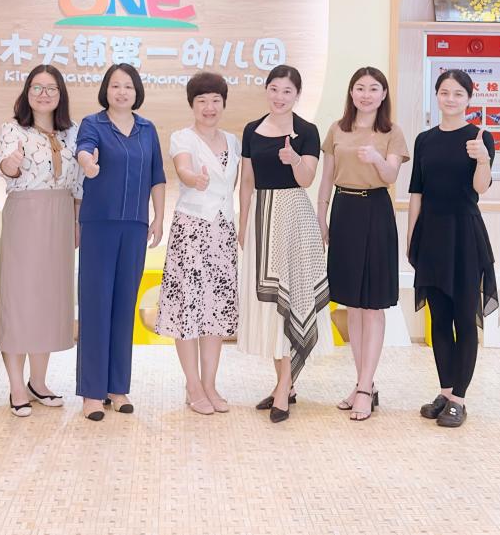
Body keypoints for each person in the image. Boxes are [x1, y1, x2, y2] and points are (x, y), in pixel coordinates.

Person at [237, 64, 330, 424]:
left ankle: (283, 388)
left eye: (287, 91)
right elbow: (247, 181)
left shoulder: (307, 131)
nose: (279, 97)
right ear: (266, 90)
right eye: (274, 89)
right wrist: (243, 223)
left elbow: (306, 180)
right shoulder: (251, 129)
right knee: (271, 306)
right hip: (262, 219)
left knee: (292, 299)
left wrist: (294, 160)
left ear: (297, 95)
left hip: (294, 219)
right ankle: (284, 384)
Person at [75, 63, 167, 422]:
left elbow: (157, 176)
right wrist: (88, 164)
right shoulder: (93, 124)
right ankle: (92, 392)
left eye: (128, 86)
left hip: (135, 226)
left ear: (137, 91)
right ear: (106, 90)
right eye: (115, 85)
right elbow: (84, 150)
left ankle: (117, 387)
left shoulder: (147, 129)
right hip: (99, 225)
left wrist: (158, 217)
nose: (122, 92)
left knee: (124, 306)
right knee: (96, 305)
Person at [317, 66, 409, 422]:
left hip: (375, 212)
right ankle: (362, 383)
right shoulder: (336, 129)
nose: (366, 94)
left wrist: (376, 159)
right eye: (360, 88)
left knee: (372, 306)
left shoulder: (392, 132)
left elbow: (391, 176)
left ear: (383, 94)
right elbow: (326, 178)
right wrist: (321, 216)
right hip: (344, 210)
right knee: (352, 305)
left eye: (373, 88)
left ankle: (366, 388)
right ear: (351, 93)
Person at [408, 69, 498, 429]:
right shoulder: (424, 140)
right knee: (439, 320)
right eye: (445, 92)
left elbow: (481, 188)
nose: (450, 99)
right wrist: (412, 238)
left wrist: (483, 159)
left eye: (458, 93)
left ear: (468, 99)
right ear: (437, 95)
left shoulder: (480, 137)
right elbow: (417, 191)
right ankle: (445, 392)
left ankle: (459, 399)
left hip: (464, 236)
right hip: (431, 234)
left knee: (464, 318)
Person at [0, 65, 82, 417]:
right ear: (27, 92)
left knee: (48, 300)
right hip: (26, 214)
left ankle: (38, 382)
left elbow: (78, 183)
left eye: (51, 88)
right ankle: (16, 386)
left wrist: (76, 221)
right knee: (20, 299)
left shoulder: (72, 132)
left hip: (61, 216)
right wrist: (12, 163)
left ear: (61, 94)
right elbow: (5, 168)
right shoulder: (14, 128)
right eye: (37, 87)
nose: (44, 94)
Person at [156, 71, 240, 415]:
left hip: (223, 232)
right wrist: (194, 179)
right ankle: (193, 385)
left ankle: (210, 384)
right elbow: (184, 170)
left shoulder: (234, 141)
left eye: (215, 100)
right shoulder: (183, 137)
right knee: (187, 309)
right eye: (202, 100)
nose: (209, 107)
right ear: (192, 104)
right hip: (191, 231)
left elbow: (233, 186)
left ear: (224, 103)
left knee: (215, 311)